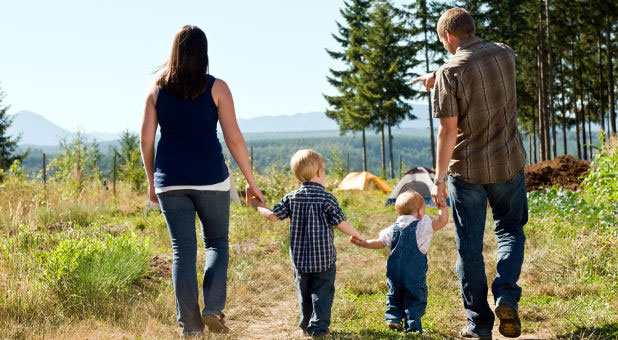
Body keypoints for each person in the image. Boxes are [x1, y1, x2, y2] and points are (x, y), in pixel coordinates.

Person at [140, 25, 265, 337]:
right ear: (203, 53)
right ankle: (212, 309)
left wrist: (152, 182)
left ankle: (191, 327)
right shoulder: (217, 87)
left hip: (170, 181)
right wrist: (250, 181)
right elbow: (234, 138)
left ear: (175, 53)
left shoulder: (156, 89)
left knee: (182, 250)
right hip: (211, 179)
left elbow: (145, 141)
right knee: (217, 243)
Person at [413, 7, 528, 340]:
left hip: (467, 172)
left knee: (469, 248)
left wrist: (437, 182)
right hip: (508, 163)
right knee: (509, 230)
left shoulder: (450, 73)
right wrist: (438, 77)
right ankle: (506, 295)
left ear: (448, 36)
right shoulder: (505, 54)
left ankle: (479, 325)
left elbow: (448, 131)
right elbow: (476, 69)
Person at [251, 149, 364, 338]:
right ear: (319, 173)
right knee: (322, 292)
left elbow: (273, 217)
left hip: (300, 260)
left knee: (304, 293)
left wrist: (259, 206)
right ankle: (318, 327)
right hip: (324, 259)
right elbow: (340, 223)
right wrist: (357, 235)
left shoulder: (291, 198)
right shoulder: (327, 198)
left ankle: (306, 324)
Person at [350, 190, 448, 333]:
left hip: (394, 272)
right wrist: (442, 209)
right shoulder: (422, 226)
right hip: (413, 274)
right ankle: (413, 327)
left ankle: (394, 319)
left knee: (395, 294)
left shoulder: (393, 229)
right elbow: (442, 222)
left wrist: (363, 243)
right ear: (420, 212)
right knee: (414, 297)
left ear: (398, 213)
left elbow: (379, 243)